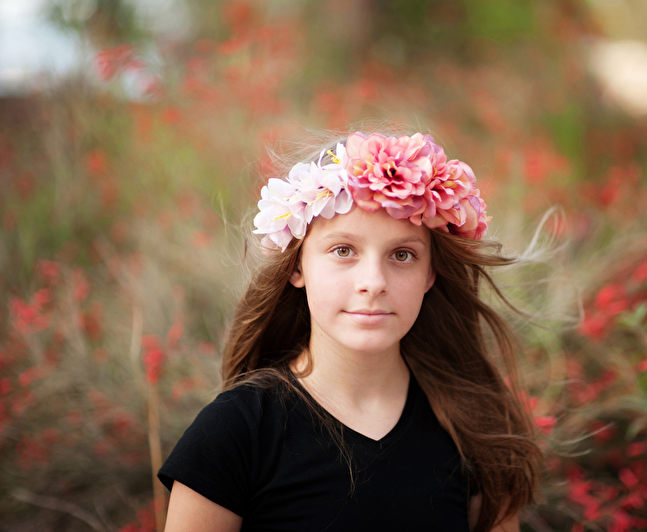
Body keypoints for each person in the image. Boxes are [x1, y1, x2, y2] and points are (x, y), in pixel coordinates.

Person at [158, 131, 542, 532]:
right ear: (296, 267)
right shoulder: (234, 431)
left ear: (430, 273)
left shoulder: (473, 427)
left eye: (402, 254)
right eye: (343, 250)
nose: (373, 282)